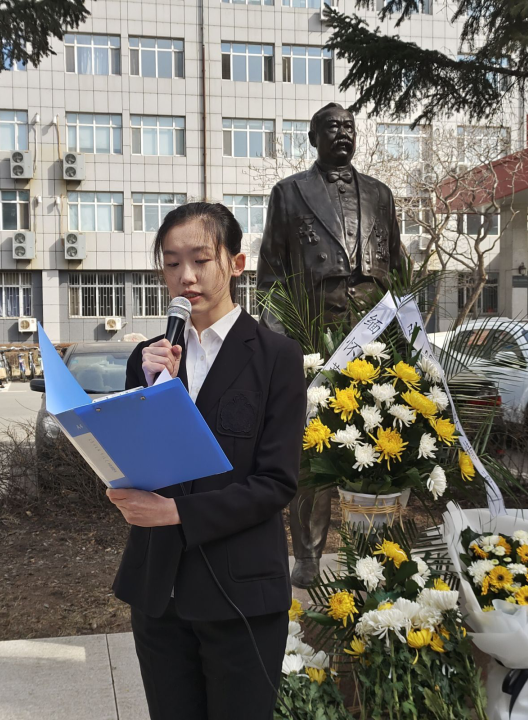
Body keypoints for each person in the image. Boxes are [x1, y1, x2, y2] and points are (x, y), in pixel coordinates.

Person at [109, 202, 306, 720]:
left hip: (241, 595)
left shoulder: (276, 357)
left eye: (200, 260)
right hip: (159, 592)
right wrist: (152, 391)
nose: (186, 277)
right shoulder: (149, 359)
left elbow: (276, 482)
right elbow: (139, 464)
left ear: (236, 264)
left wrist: (176, 513)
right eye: (172, 263)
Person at [256, 102, 406, 587]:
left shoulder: (380, 194)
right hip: (313, 340)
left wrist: (406, 333)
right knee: (312, 454)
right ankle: (307, 554)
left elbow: (399, 266)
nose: (343, 133)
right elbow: (271, 276)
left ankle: (378, 553)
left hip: (373, 339)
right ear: (313, 137)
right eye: (332, 127)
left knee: (381, 446)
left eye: (349, 126)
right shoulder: (289, 192)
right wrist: (279, 346)